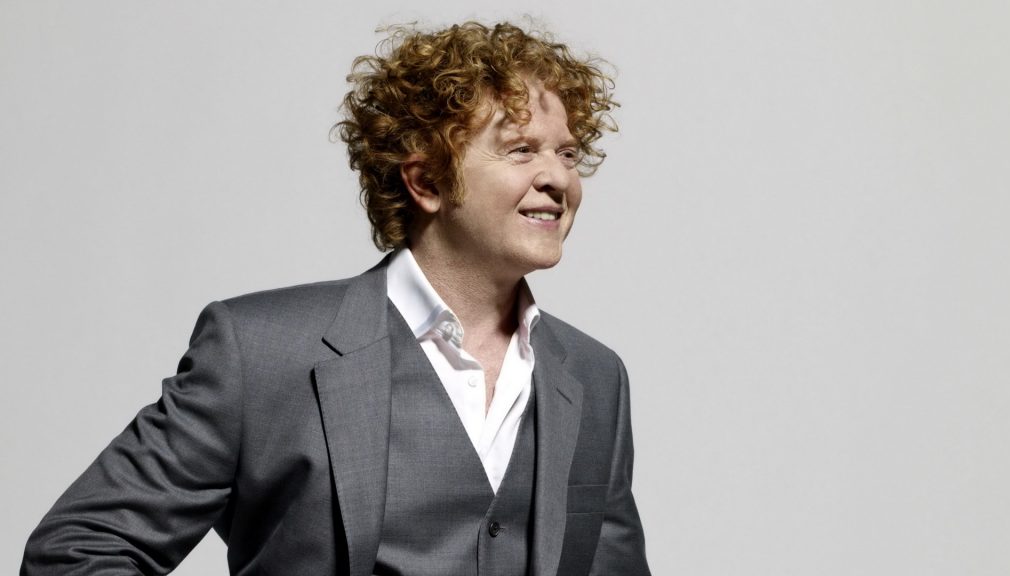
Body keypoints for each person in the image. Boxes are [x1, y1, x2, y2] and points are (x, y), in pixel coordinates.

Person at [21, 21, 650, 576]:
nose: (558, 178)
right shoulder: (260, 352)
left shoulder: (594, 377)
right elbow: (75, 550)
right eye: (521, 150)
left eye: (567, 153)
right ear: (426, 181)